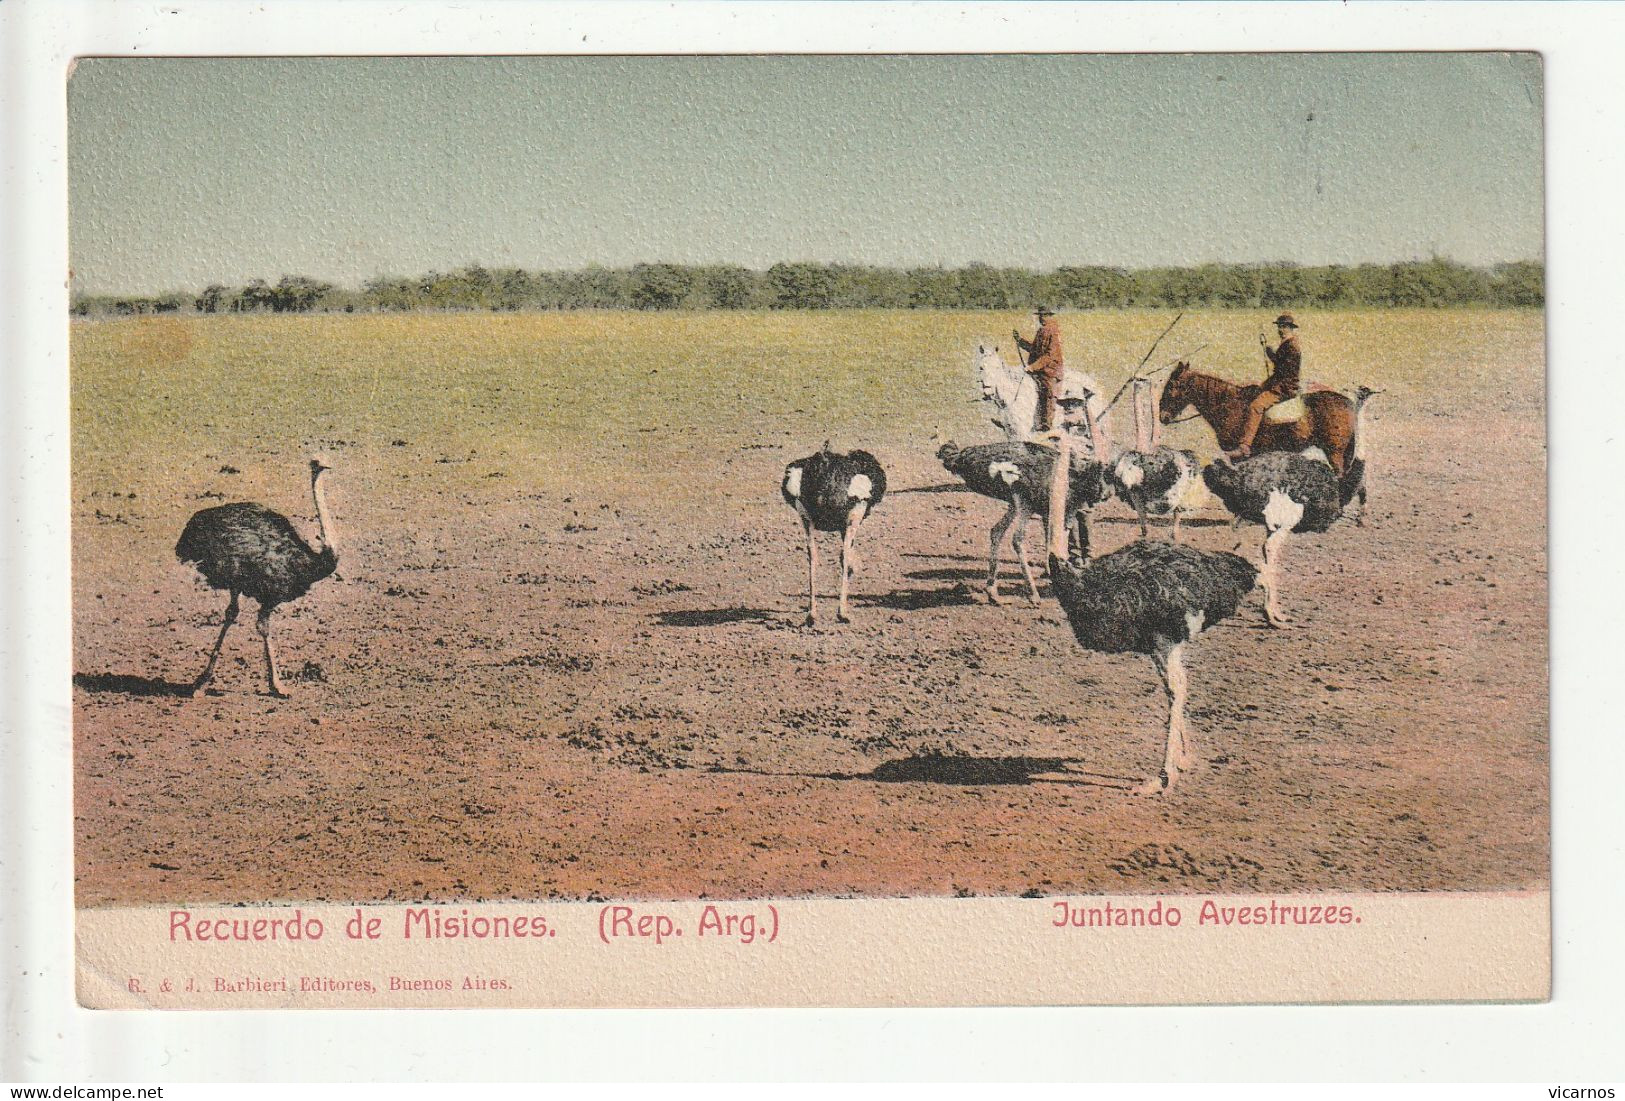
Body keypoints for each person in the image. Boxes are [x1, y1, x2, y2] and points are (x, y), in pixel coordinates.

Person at [1227, 312, 1301, 459]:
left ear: (1291, 328)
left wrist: (1272, 355)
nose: (1280, 330)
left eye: (1284, 327)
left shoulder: (1291, 345)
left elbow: (1285, 371)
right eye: (1279, 326)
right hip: (1280, 383)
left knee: (1256, 406)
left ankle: (1245, 446)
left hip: (1284, 387)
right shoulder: (1287, 343)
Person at [1013, 306, 1064, 433]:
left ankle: (1046, 424)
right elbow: (1035, 350)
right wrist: (1020, 341)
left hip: (1050, 370)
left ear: (1049, 316)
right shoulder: (1041, 331)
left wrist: (1032, 366)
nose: (1041, 318)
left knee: (1047, 390)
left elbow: (1049, 355)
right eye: (1040, 315)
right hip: (1040, 369)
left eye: (1044, 315)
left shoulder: (1053, 331)